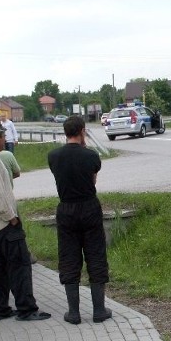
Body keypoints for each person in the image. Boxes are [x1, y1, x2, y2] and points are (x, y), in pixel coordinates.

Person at [0, 119, 50, 322]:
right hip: (3, 223)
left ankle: (0, 308)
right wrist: (11, 217)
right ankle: (26, 309)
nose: (5, 140)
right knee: (20, 265)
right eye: (3, 136)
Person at [48, 115, 112, 324]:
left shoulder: (53, 156)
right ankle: (99, 310)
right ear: (82, 131)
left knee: (68, 256)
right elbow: (93, 179)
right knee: (95, 254)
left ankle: (73, 312)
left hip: (66, 208)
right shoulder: (91, 156)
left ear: (65, 132)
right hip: (89, 207)